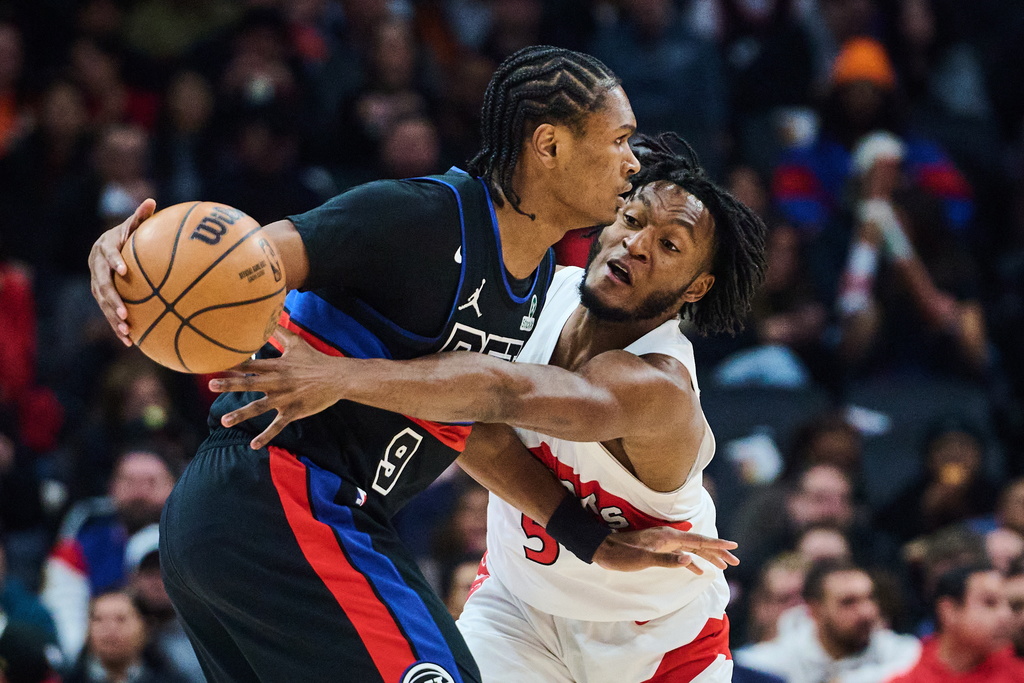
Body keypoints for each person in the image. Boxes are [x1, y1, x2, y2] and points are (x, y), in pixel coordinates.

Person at [89, 46, 729, 683]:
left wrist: (589, 540)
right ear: (550, 145)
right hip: (280, 496)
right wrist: (127, 261)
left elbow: (470, 422)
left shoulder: (536, 280)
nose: (631, 162)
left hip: (283, 524)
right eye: (618, 139)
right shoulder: (423, 217)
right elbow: (247, 260)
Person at [210, 132, 765, 681]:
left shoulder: (658, 383)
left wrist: (342, 378)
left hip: (660, 643)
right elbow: (471, 427)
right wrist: (589, 538)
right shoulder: (538, 296)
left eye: (670, 246)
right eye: (634, 219)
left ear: (696, 288)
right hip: (518, 610)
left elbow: (501, 393)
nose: (638, 244)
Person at [736, 559, 921, 683]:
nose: (866, 612)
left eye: (870, 598)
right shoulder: (779, 656)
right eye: (848, 602)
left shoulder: (903, 651)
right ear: (814, 610)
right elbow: (737, 666)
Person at [886, 563, 1024, 683]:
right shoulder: (905, 672)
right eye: (990, 603)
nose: (1006, 615)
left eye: (1009, 605)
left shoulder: (1018, 672)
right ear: (948, 611)